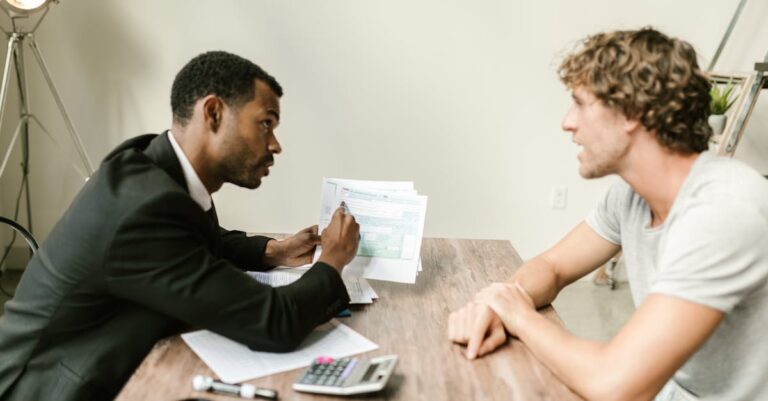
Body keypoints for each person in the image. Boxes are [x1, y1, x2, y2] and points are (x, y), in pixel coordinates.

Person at [0, 51, 360, 401]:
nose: (275, 144)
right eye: (265, 123)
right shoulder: (146, 208)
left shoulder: (152, 165)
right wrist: (333, 260)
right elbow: (274, 322)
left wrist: (269, 251)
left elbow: (189, 242)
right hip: (44, 388)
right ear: (214, 113)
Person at [448, 28, 768, 401]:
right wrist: (496, 302)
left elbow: (614, 384)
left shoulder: (725, 210)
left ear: (631, 112)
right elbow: (553, 266)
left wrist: (518, 315)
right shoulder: (629, 196)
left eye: (580, 103)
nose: (568, 122)